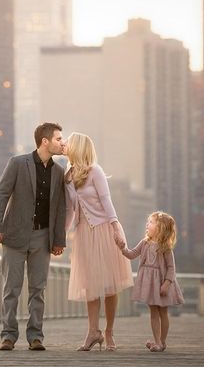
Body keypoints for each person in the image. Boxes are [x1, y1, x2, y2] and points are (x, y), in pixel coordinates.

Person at [0, 122, 66, 351]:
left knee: (38, 289)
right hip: (14, 235)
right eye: (59, 139)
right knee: (11, 288)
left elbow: (61, 208)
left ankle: (35, 337)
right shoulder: (17, 163)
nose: (62, 143)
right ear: (45, 141)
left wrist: (59, 239)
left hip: (43, 237)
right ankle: (8, 336)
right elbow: (1, 195)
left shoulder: (59, 171)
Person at [64, 132, 133, 352]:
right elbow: (70, 211)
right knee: (90, 285)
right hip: (83, 234)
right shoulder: (67, 175)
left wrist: (116, 228)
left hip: (104, 230)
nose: (65, 145)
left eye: (68, 143)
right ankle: (93, 332)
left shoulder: (95, 171)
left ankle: (109, 331)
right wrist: (62, 236)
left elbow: (106, 201)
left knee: (110, 285)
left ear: (78, 147)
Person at [115, 210, 185, 352]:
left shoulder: (165, 247)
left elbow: (171, 268)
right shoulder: (145, 243)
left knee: (163, 312)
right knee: (153, 312)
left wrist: (167, 283)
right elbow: (132, 254)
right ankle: (157, 341)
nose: (147, 224)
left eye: (151, 222)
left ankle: (162, 342)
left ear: (161, 227)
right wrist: (123, 248)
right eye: (148, 222)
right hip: (149, 284)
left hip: (161, 284)